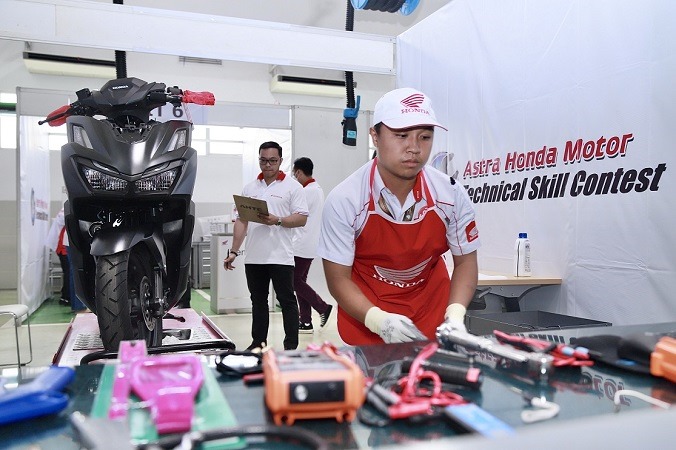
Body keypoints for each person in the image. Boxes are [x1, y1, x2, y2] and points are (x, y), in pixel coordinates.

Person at [317, 87, 481, 346]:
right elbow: (337, 278)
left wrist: (456, 315)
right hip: (366, 311)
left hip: (431, 310)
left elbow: (465, 262)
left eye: (425, 137)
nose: (414, 148)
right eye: (401, 135)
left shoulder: (450, 194)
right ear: (375, 136)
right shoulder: (346, 199)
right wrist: (377, 321)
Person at [224, 141, 308, 351]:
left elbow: (301, 218)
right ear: (259, 160)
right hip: (254, 257)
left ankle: (291, 347)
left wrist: (278, 220)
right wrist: (234, 251)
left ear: (280, 161)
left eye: (272, 161)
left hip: (281, 257)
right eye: (263, 160)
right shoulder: (250, 188)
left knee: (287, 301)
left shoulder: (293, 187)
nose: (267, 165)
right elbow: (242, 222)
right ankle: (258, 343)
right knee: (258, 302)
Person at [291, 157, 333, 334]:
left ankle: (322, 307)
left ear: (299, 172)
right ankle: (306, 321)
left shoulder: (307, 192)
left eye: (294, 174)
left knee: (294, 282)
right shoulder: (317, 189)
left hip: (301, 243)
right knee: (300, 282)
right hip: (309, 243)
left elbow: (293, 214)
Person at [46, 208, 70, 306]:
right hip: (63, 248)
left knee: (68, 273)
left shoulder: (64, 211)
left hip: (62, 248)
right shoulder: (66, 212)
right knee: (69, 273)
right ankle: (66, 297)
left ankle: (65, 295)